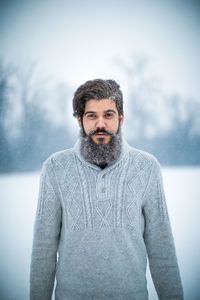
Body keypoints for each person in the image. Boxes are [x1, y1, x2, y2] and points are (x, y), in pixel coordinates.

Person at [30, 79, 184, 300]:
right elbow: (43, 250)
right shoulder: (55, 168)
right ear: (79, 120)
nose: (100, 124)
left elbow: (162, 250)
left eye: (108, 115)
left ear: (120, 118)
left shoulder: (147, 168)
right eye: (91, 115)